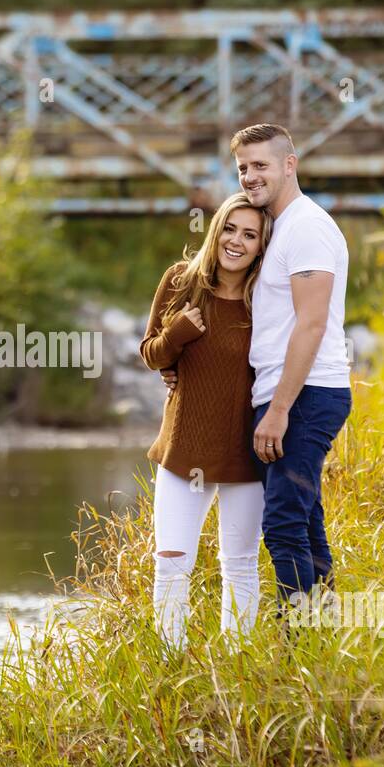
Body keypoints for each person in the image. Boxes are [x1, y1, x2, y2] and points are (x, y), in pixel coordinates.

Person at [139, 191, 271, 651]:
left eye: (250, 235)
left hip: (243, 453)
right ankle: (170, 661)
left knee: (240, 564)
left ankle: (237, 663)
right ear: (216, 230)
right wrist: (177, 336)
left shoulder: (265, 300)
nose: (237, 241)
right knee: (171, 560)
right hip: (184, 449)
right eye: (230, 229)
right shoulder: (180, 281)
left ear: (260, 246)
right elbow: (151, 353)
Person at [233, 122, 353, 608]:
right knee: (303, 520)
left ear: (289, 164)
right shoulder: (279, 228)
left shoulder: (307, 226)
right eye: (242, 168)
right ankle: (322, 637)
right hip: (291, 394)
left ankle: (298, 645)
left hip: (306, 396)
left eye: (260, 165)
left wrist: (279, 410)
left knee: (282, 522)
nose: (249, 176)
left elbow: (311, 324)